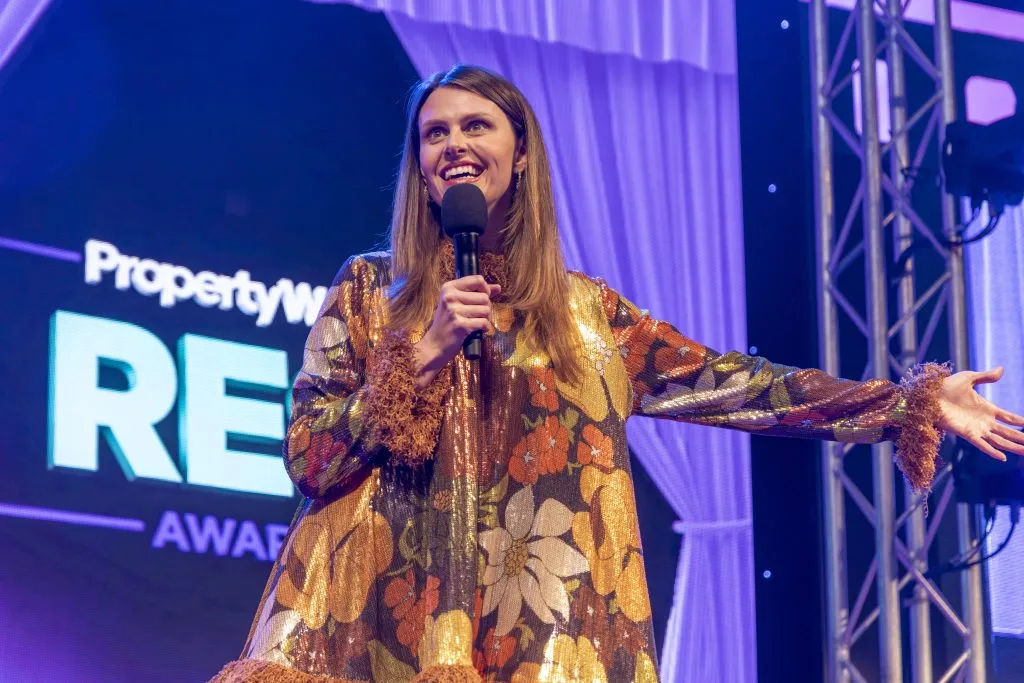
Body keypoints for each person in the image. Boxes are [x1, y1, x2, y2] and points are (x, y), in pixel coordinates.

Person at [212, 65, 1024, 683]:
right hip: (390, 630)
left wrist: (906, 403)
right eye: (434, 133)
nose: (453, 143)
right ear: (420, 169)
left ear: (519, 156)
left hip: (545, 634)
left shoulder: (588, 315)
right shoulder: (371, 292)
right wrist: (422, 351)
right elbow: (309, 456)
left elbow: (739, 384)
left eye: (475, 126)